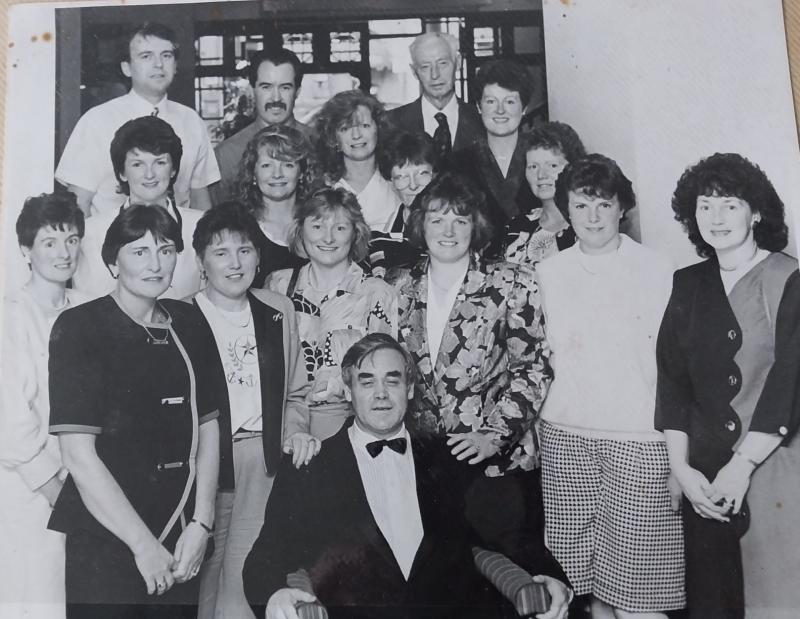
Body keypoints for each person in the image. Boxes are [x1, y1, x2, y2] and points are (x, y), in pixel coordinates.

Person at [242, 333, 572, 619]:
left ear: (410, 388)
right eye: (367, 382)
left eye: (393, 380)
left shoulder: (451, 457)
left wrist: (550, 576)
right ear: (347, 391)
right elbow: (267, 556)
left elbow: (508, 533)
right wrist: (275, 594)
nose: (381, 393)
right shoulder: (312, 467)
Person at [47, 204, 223, 618]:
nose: (155, 263)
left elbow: (209, 429)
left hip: (182, 538)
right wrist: (143, 546)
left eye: (165, 250)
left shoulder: (190, 322)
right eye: (139, 251)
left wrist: (201, 524)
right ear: (112, 261)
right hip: (108, 539)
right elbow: (78, 456)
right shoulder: (79, 327)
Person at [536, 154, 684, 619]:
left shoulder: (659, 270)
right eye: (581, 206)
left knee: (640, 595)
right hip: (566, 439)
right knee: (586, 594)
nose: (593, 216)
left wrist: (680, 456)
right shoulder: (548, 273)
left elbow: (677, 368)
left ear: (622, 207)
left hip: (639, 441)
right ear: (567, 210)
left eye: (604, 203)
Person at [656, 153, 800, 619]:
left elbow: (790, 382)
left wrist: (740, 469)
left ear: (756, 212)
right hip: (704, 479)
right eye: (705, 206)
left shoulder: (789, 278)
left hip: (773, 465)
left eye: (730, 204)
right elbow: (673, 381)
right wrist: (682, 469)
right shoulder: (687, 283)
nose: (716, 218)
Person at [386, 171, 550, 567]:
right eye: (437, 219)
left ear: (475, 226)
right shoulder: (399, 286)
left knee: (506, 580)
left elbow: (532, 368)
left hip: (492, 465)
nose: (448, 230)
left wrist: (494, 436)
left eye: (460, 220)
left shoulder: (511, 281)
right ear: (420, 223)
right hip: (423, 467)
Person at [189, 203, 318, 619]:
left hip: (262, 463)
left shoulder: (278, 310)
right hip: (203, 467)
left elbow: (297, 394)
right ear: (201, 262)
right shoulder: (180, 316)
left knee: (243, 580)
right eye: (221, 252)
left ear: (259, 257)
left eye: (245, 251)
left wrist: (295, 431)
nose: (234, 263)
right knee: (197, 577)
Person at [0, 193, 87, 619]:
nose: (63, 252)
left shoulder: (87, 310)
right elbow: (10, 422)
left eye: (71, 240)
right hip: (29, 491)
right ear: (25, 251)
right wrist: (56, 490)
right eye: (50, 242)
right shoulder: (11, 316)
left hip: (84, 484)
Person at [265, 187, 397, 440]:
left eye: (339, 228)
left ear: (355, 234)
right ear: (301, 231)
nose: (328, 238)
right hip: (287, 426)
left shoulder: (377, 293)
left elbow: (387, 376)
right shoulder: (277, 286)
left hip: (353, 425)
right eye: (317, 227)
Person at [56, 22, 219, 215]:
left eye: (166, 55)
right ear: (127, 67)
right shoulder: (96, 121)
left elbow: (200, 200)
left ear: (175, 66)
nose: (158, 64)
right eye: (146, 56)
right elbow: (79, 203)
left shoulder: (191, 121)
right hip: (109, 240)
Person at [71, 115, 203, 300]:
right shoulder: (92, 233)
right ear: (122, 173)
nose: (149, 174)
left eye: (160, 162)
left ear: (173, 169)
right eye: (137, 164)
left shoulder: (202, 226)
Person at [211, 47, 313, 204]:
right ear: (253, 90)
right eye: (266, 87)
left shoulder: (318, 144)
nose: (276, 97)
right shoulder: (227, 154)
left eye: (285, 87)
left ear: (298, 91)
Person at [234, 124, 314, 285]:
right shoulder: (237, 227)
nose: (277, 174)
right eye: (266, 165)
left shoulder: (318, 223)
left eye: (288, 165)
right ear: (253, 174)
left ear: (302, 173)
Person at [314, 90, 403, 232]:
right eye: (345, 128)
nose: (356, 135)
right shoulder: (324, 188)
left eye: (365, 126)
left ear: (378, 129)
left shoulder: (398, 184)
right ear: (333, 137)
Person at [386, 32, 483, 158]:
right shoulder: (392, 123)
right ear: (414, 72)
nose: (435, 75)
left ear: (458, 63)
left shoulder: (481, 120)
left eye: (442, 63)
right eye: (425, 67)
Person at [503, 122, 586, 265]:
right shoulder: (516, 226)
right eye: (533, 167)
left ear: (573, 168)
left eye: (552, 165)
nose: (541, 175)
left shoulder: (590, 227)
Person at [368, 129, 436, 277]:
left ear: (435, 175)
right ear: (390, 182)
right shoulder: (379, 237)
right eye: (402, 177)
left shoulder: (455, 230)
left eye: (422, 174)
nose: (413, 185)